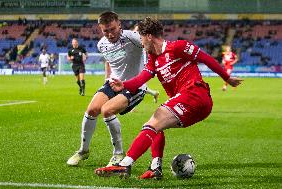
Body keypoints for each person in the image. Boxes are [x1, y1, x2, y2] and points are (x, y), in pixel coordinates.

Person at [94, 17, 243, 179]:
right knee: (155, 127)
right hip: (188, 102)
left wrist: (227, 78)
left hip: (195, 95)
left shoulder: (179, 47)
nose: (141, 42)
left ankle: (124, 165)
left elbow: (206, 59)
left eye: (141, 37)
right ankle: (155, 168)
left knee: (154, 121)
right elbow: (142, 78)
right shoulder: (153, 58)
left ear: (149, 36)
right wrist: (124, 85)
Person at [67, 12, 164, 167]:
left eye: (113, 29)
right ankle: (83, 150)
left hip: (134, 86)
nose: (110, 34)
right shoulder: (101, 44)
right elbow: (110, 61)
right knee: (91, 110)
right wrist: (107, 79)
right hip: (114, 82)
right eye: (106, 31)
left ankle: (118, 154)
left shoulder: (132, 38)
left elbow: (152, 46)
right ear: (101, 29)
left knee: (107, 110)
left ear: (119, 24)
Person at [133, 24, 159, 103]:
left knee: (136, 85)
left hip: (140, 66)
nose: (137, 32)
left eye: (138, 31)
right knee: (139, 86)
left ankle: (130, 103)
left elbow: (145, 55)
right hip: (135, 66)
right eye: (136, 31)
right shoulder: (132, 40)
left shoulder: (143, 43)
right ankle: (154, 93)